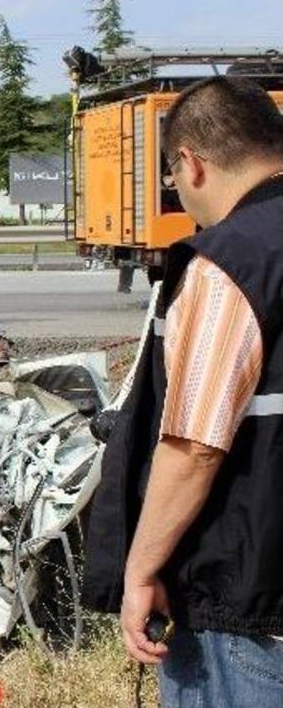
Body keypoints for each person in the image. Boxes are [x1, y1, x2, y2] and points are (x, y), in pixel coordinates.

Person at [80, 76, 283, 707]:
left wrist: (139, 570)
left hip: (246, 609)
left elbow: (194, 447)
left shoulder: (231, 263)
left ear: (190, 164)